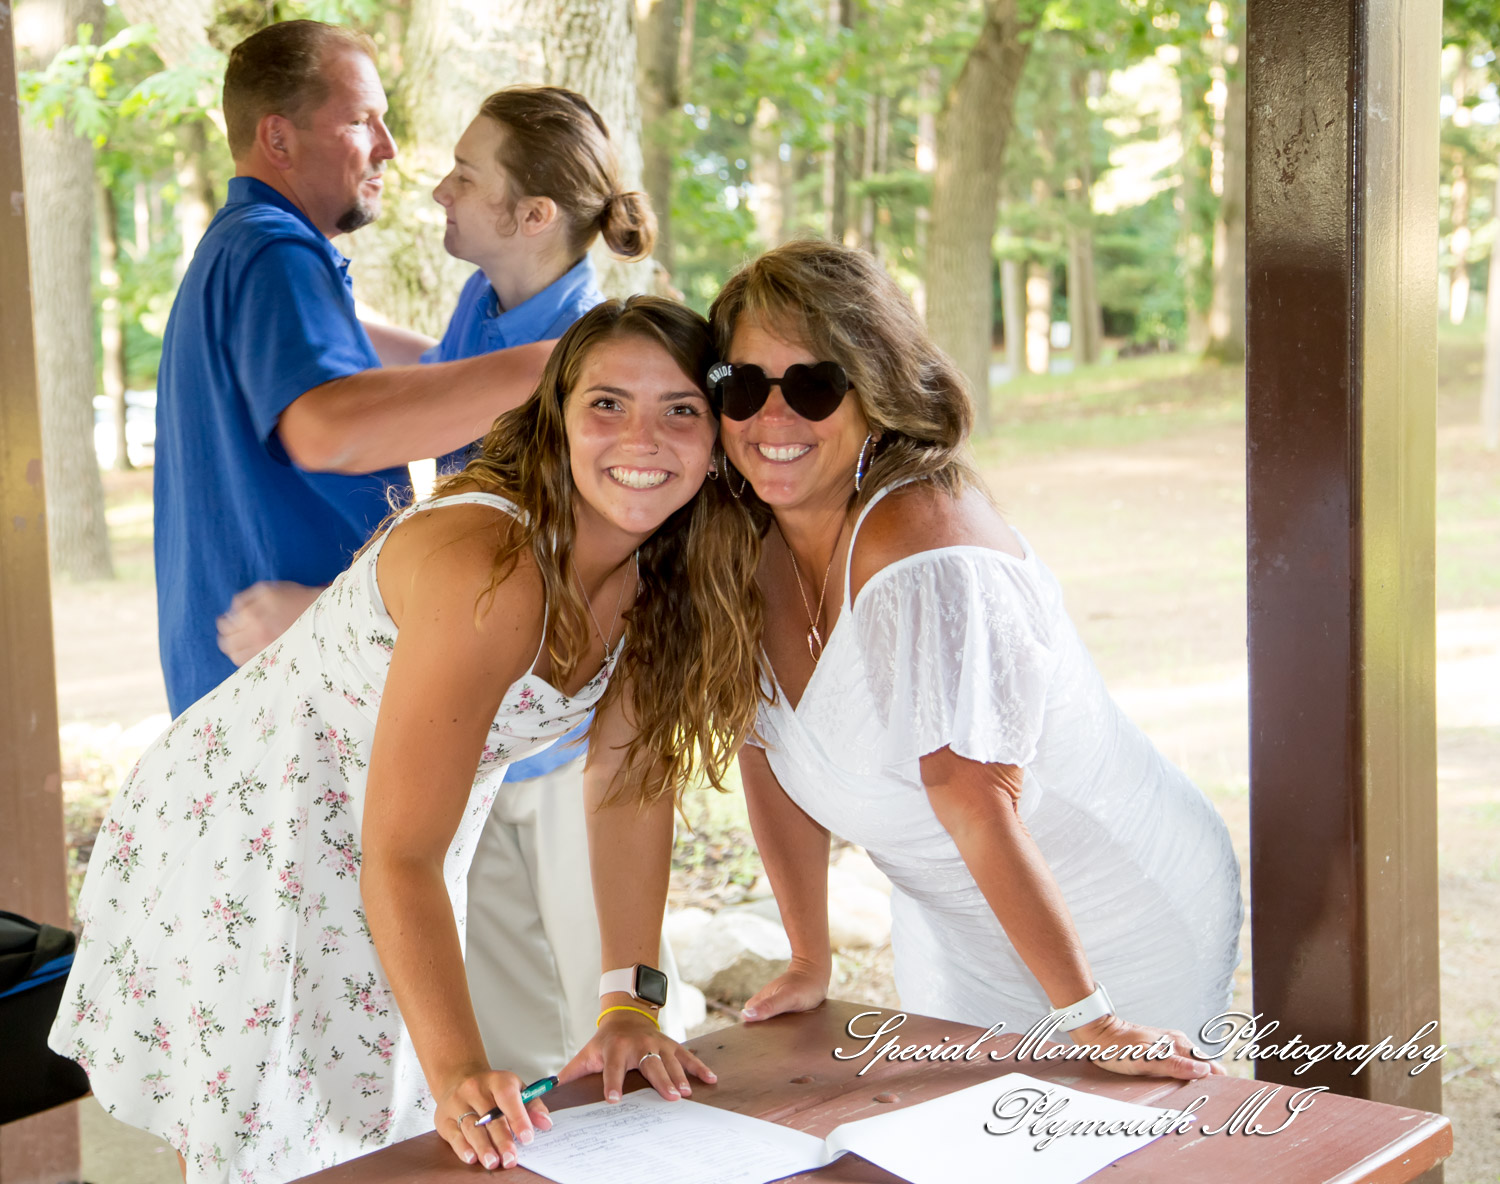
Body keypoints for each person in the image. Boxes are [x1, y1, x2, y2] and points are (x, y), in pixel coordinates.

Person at [49, 298, 762, 1183]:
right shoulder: (493, 574)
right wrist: (459, 1069)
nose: (642, 438)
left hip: (403, 840)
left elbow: (628, 789)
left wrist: (632, 1000)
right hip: (252, 828)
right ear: (559, 420)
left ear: (719, 433)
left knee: (373, 1125)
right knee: (275, 1141)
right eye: (607, 404)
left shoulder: (664, 580)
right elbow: (397, 854)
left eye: (680, 409)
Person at [215, 85, 684, 1076]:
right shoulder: (489, 304)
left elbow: (557, 560)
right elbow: (443, 384)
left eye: (467, 177)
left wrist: (327, 614)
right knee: (507, 1020)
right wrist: (318, 343)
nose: (437, 188)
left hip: (559, 734)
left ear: (533, 218)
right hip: (476, 725)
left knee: (601, 1013)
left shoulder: (596, 360)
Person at [707, 240, 1242, 1077]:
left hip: (1107, 915)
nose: (773, 418)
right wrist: (812, 957)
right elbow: (765, 750)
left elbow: (974, 799)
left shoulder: (929, 558)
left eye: (814, 385)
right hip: (956, 916)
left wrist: (1095, 1022)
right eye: (744, 385)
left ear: (877, 392)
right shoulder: (738, 543)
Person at [155, 20, 553, 718]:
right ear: (278, 138)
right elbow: (328, 429)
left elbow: (420, 374)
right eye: (363, 121)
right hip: (280, 703)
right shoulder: (273, 250)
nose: (390, 149)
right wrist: (560, 363)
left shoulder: (242, 250)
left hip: (266, 696)